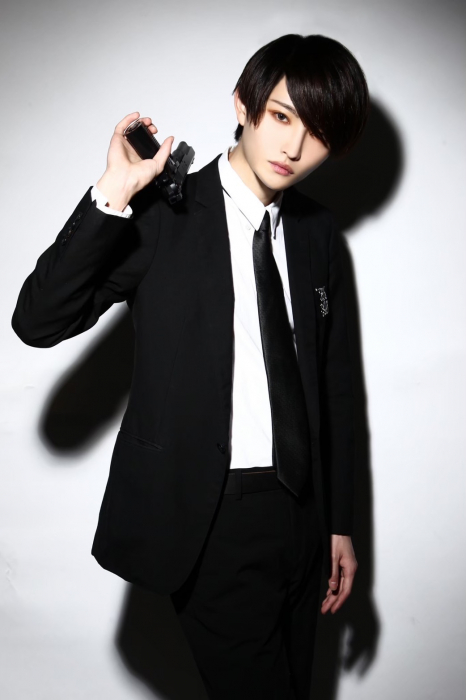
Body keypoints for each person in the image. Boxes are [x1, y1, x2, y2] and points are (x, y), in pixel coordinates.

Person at [12, 33, 369, 700]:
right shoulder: (163, 216)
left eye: (318, 132)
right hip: (211, 521)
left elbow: (336, 388)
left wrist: (338, 523)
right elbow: (37, 320)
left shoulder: (317, 233)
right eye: (282, 116)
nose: (294, 147)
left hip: (303, 517)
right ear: (243, 105)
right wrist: (114, 190)